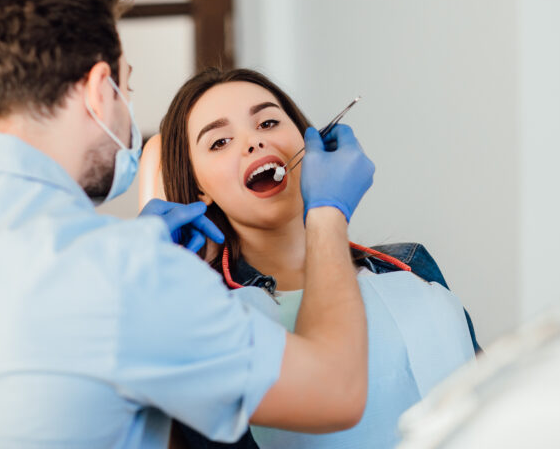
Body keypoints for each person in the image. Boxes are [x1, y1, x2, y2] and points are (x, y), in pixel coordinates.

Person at [0, 0, 377, 449]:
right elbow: (338, 390)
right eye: (127, 88)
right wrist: (326, 212)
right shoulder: (127, 271)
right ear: (98, 89)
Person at [158, 68, 478, 448]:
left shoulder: (409, 265)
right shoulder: (206, 320)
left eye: (269, 121)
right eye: (220, 142)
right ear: (199, 187)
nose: (253, 142)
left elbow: (493, 397)